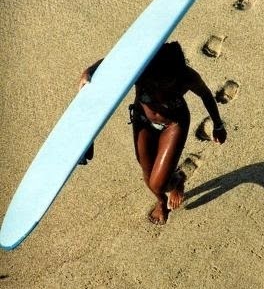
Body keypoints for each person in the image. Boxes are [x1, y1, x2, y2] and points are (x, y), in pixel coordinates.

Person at [79, 42, 227, 225]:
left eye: (168, 84)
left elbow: (206, 95)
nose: (161, 89)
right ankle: (161, 200)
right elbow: (114, 61)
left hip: (174, 124)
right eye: (157, 83)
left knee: (158, 183)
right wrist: (90, 71)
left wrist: (218, 125)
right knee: (148, 175)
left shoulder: (186, 76)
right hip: (143, 122)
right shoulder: (141, 71)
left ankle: (177, 179)